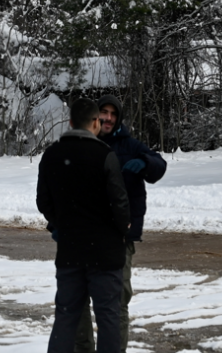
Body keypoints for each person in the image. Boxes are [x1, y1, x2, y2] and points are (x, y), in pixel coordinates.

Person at [74, 94, 168, 353]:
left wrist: (146, 163)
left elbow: (159, 166)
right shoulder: (80, 144)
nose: (108, 118)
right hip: (82, 238)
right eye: (103, 112)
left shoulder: (131, 146)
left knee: (115, 304)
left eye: (113, 114)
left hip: (118, 239)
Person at [37, 97, 131, 353]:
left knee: (66, 317)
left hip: (70, 251)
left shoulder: (51, 155)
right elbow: (120, 204)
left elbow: (43, 202)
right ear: (95, 123)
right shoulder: (105, 155)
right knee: (108, 317)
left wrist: (65, 224)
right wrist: (122, 230)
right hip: (106, 253)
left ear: (70, 123)